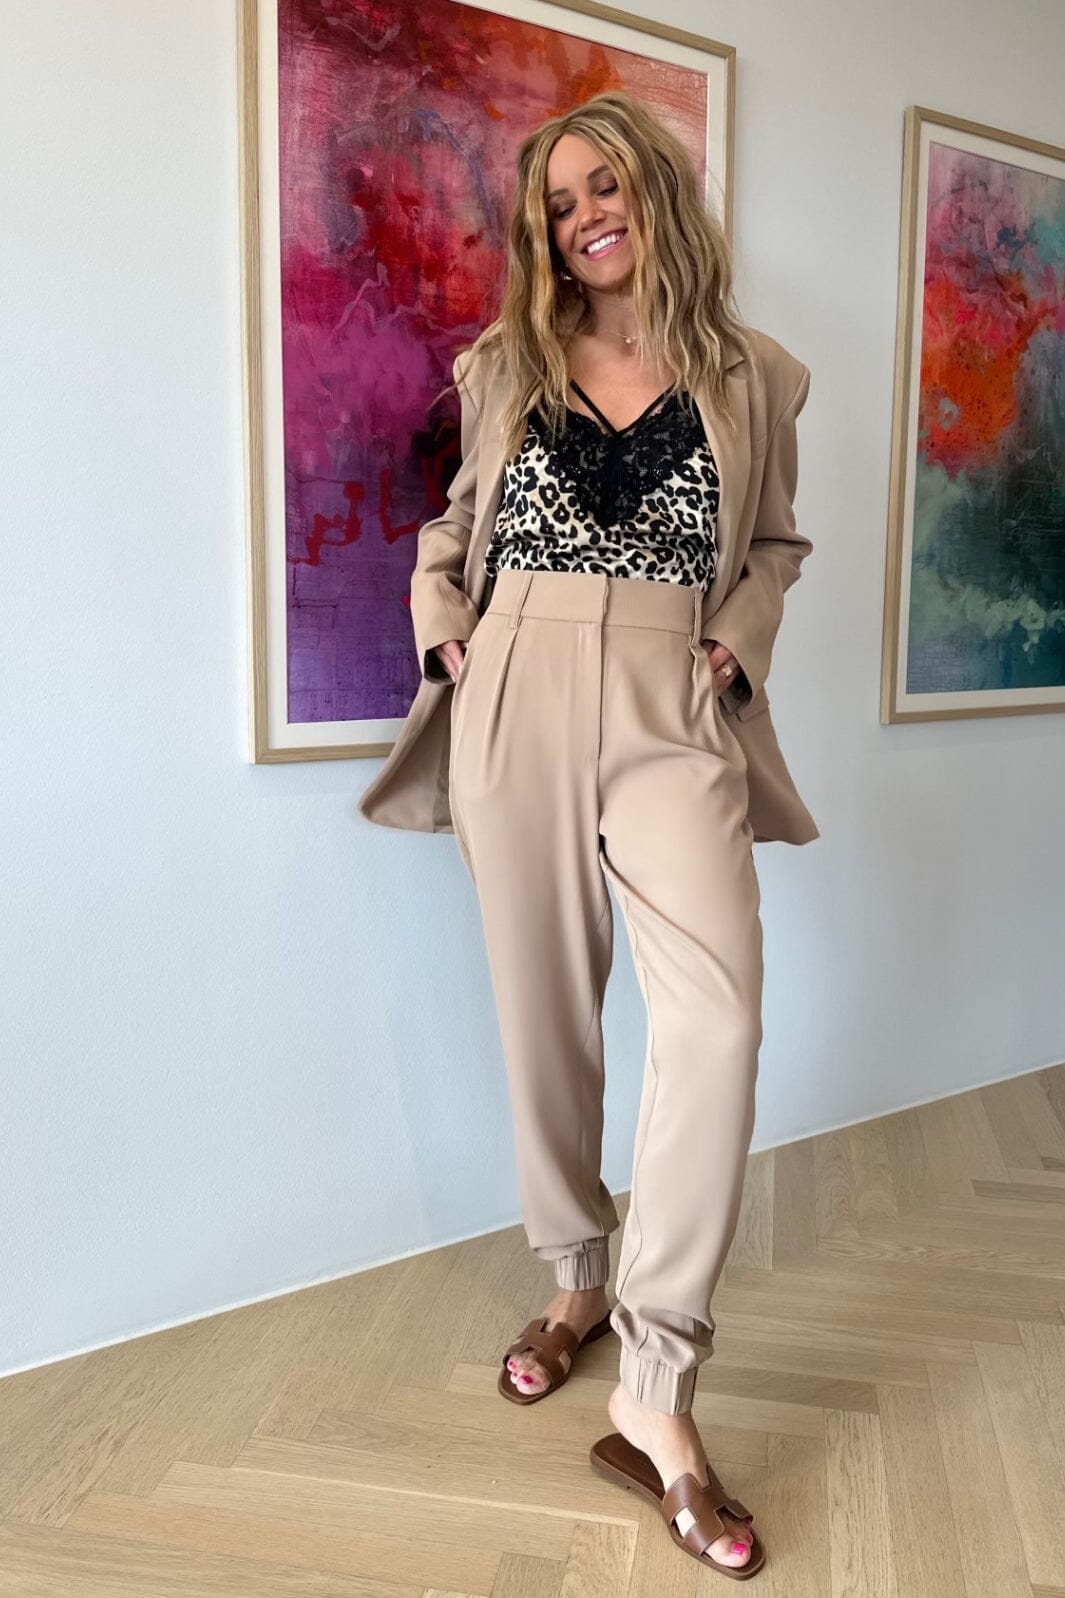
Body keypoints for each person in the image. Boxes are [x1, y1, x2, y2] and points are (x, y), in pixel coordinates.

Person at [359, 89, 817, 1579]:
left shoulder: (755, 374)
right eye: (556, 204)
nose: (581, 219)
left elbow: (772, 544)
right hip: (517, 688)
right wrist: (447, 632)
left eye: (603, 186)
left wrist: (736, 643)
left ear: (654, 190)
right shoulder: (506, 364)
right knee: (546, 1017)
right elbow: (451, 532)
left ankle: (654, 1382)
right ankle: (575, 1282)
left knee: (719, 1019)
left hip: (672, 701)